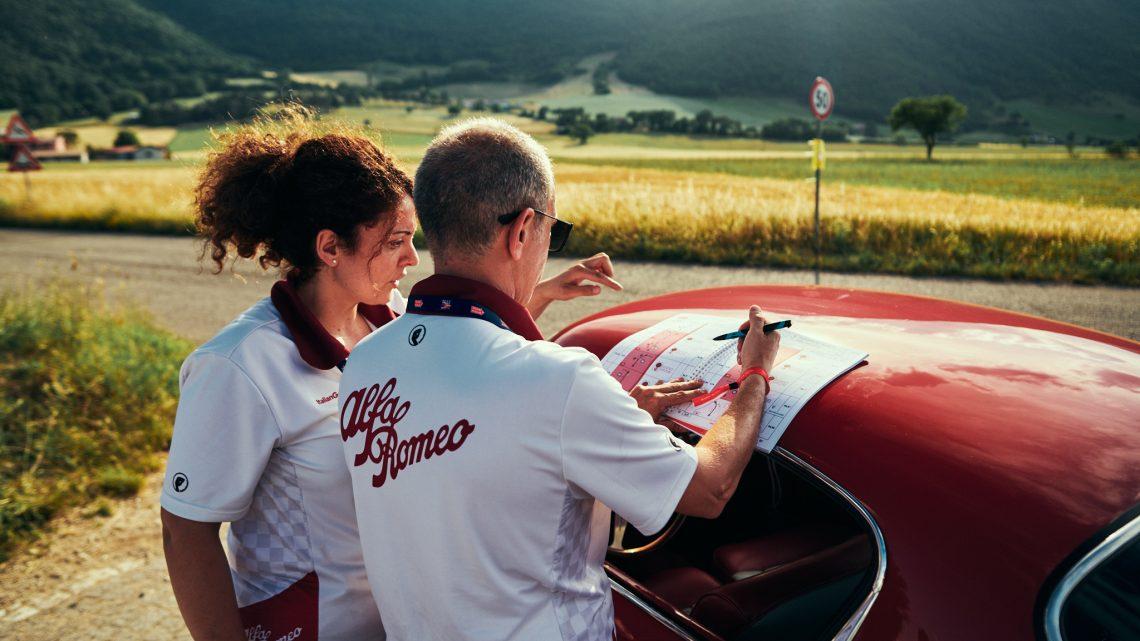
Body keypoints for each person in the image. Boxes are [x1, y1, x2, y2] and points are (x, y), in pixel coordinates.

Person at [159, 112, 633, 641]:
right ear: (330, 248)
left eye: (414, 237)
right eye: (395, 241)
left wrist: (537, 291)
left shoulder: (394, 318)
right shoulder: (239, 366)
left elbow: (467, 368)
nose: (413, 257)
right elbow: (185, 530)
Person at [338, 118, 781, 641]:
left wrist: (615, 422)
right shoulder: (558, 381)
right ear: (523, 230)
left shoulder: (365, 362)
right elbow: (710, 488)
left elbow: (480, 462)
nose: (550, 245)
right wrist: (754, 372)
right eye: (554, 230)